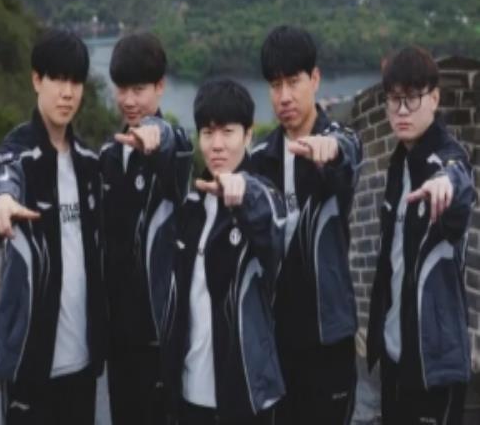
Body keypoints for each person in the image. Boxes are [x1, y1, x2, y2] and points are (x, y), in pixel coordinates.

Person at [0, 29, 107, 425]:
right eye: (57, 79)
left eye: (76, 82)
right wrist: (1, 202)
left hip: (83, 363)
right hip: (30, 365)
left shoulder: (89, 164)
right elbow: (2, 179)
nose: (67, 93)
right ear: (37, 80)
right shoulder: (17, 153)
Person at [251, 25, 362, 424]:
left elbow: (348, 155)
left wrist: (330, 150)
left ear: (314, 79)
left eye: (293, 82)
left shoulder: (339, 141)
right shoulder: (260, 158)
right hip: (277, 339)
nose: (284, 96)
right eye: (275, 85)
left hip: (328, 338)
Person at [161, 78, 286, 425]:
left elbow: (272, 224)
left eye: (228, 132)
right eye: (207, 133)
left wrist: (244, 190)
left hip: (245, 396)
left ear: (248, 136)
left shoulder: (264, 197)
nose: (216, 145)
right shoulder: (191, 208)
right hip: (189, 396)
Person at [367, 46, 475, 424]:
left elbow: (459, 177)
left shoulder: (447, 157)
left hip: (434, 363)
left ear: (434, 98)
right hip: (395, 355)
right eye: (393, 99)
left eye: (411, 98)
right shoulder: (398, 164)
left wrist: (446, 184)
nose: (401, 110)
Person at [99, 32, 193, 425]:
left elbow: (172, 145)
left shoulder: (177, 147)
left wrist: (157, 135)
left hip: (161, 332)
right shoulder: (107, 156)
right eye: (122, 89)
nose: (129, 100)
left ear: (160, 87)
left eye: (139, 89)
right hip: (118, 337)